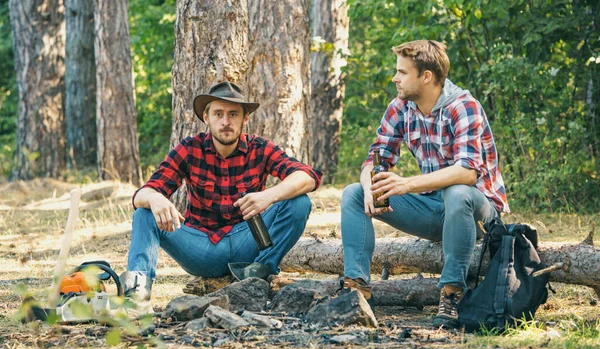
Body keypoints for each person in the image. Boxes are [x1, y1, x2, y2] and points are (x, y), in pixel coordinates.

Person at [340, 40, 510, 328]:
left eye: (402, 72)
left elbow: (467, 173)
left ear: (426, 76)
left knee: (457, 194)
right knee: (353, 194)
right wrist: (369, 183)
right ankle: (356, 291)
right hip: (434, 210)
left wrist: (406, 184)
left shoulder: (463, 107)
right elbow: (375, 157)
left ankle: (452, 293)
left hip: (479, 214)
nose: (395, 78)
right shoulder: (400, 108)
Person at [120, 81, 322, 314]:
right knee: (145, 212)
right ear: (206, 117)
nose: (225, 121)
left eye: (233, 114)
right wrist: (155, 198)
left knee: (299, 202)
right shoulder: (190, 149)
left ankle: (259, 273)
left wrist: (269, 196)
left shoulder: (260, 148)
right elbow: (141, 195)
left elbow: (308, 177)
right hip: (200, 247)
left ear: (245, 118)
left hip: (250, 244)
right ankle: (136, 297)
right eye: (218, 114)